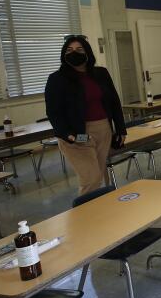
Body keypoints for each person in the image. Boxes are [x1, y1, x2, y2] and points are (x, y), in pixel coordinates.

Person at [45, 35, 126, 196]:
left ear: (87, 52)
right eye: (69, 50)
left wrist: (121, 129)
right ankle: (85, 217)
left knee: (100, 175)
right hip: (78, 135)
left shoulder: (101, 73)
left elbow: (114, 102)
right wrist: (70, 135)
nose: (74, 53)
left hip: (103, 130)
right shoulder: (57, 79)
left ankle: (102, 212)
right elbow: (53, 112)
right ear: (63, 54)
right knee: (91, 179)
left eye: (79, 49)